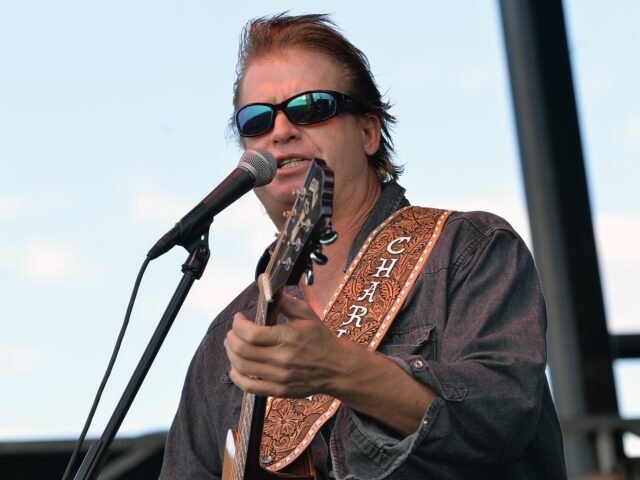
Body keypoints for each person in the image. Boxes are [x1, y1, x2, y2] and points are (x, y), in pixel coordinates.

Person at [160, 13, 567, 479]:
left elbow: (500, 417)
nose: (281, 130)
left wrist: (340, 369)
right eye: (256, 119)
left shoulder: (467, 252)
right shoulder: (225, 343)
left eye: (311, 107)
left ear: (369, 132)